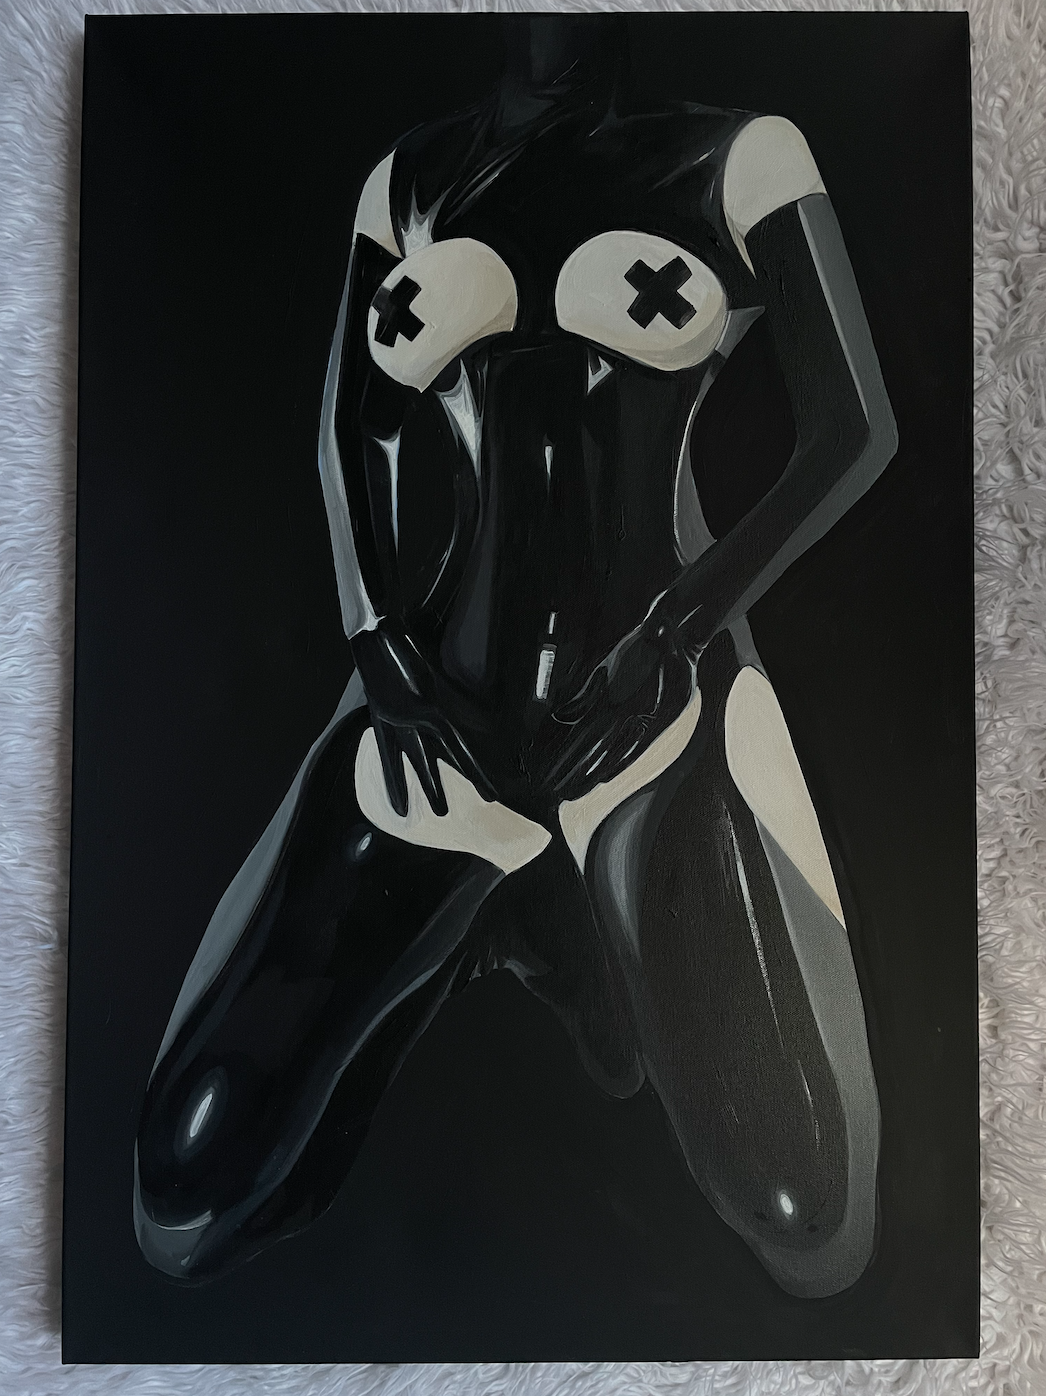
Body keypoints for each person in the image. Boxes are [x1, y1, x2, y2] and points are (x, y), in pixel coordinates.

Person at [134, 15, 897, 1300]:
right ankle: (513, 924)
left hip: (648, 709)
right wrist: (381, 651)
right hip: (440, 713)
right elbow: (349, 434)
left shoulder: (736, 158)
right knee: (187, 1179)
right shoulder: (408, 181)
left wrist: (676, 632)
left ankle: (547, 922)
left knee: (801, 1205)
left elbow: (848, 428)